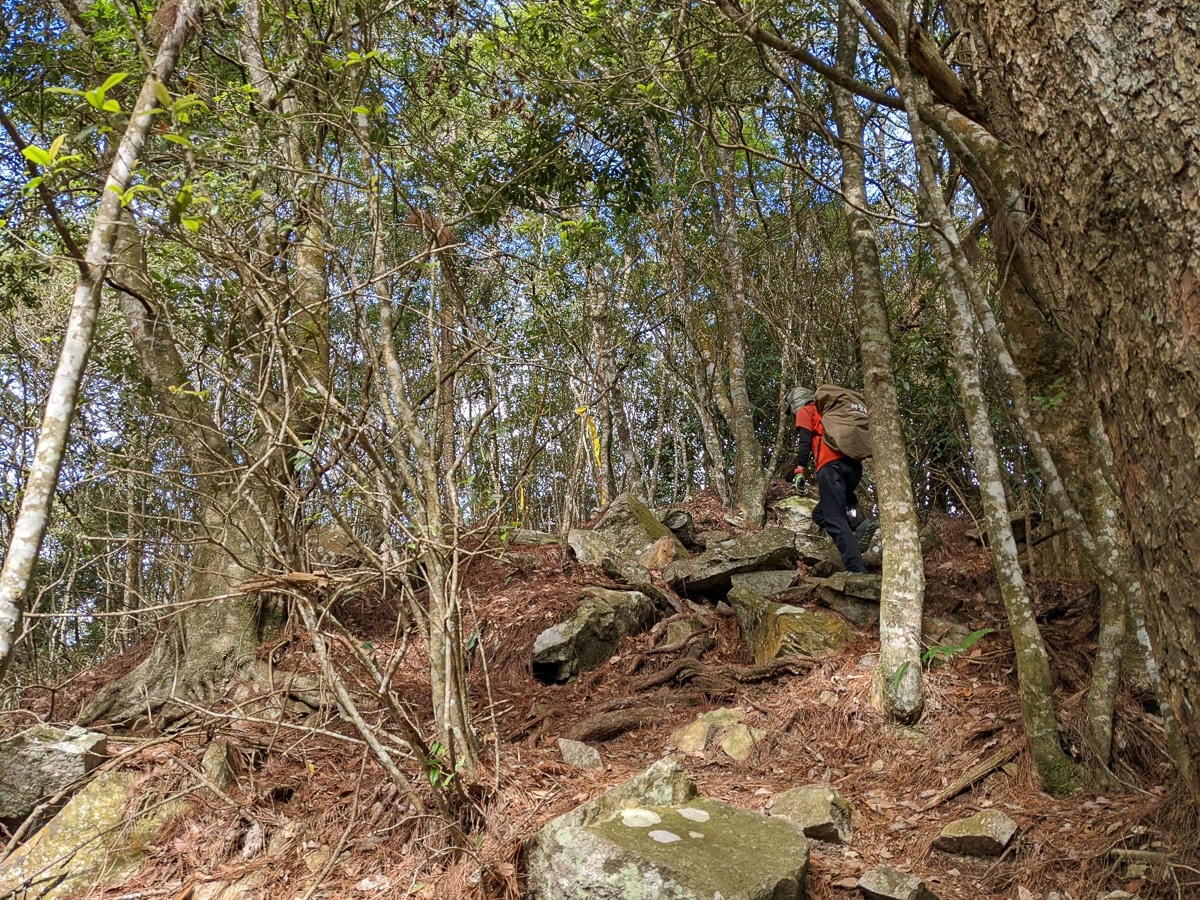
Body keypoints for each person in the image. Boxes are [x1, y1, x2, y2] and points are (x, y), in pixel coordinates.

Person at [788, 386, 876, 574]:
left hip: (831, 467)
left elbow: (804, 442)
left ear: (796, 403)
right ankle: (860, 525)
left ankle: (856, 569)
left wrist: (799, 470)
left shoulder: (806, 410)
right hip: (852, 467)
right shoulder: (829, 413)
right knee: (820, 514)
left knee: (834, 519)